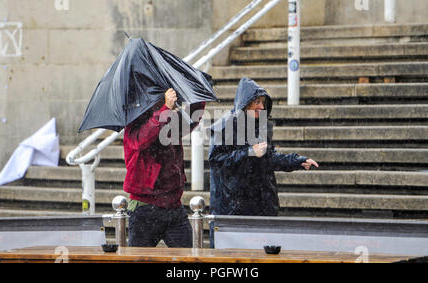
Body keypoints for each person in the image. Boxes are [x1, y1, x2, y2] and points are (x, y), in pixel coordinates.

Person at [209, 77, 319, 217]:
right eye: (257, 102)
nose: (261, 107)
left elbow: (269, 158)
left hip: (262, 204)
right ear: (245, 103)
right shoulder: (225, 126)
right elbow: (217, 162)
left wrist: (297, 161)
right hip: (232, 208)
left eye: (263, 103)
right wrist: (249, 152)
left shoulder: (262, 126)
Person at [123, 88, 205, 247]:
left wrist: (197, 94)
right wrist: (165, 109)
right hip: (144, 208)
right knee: (139, 261)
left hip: (173, 206)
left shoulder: (168, 117)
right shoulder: (135, 118)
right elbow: (142, 140)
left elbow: (189, 121)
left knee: (188, 258)